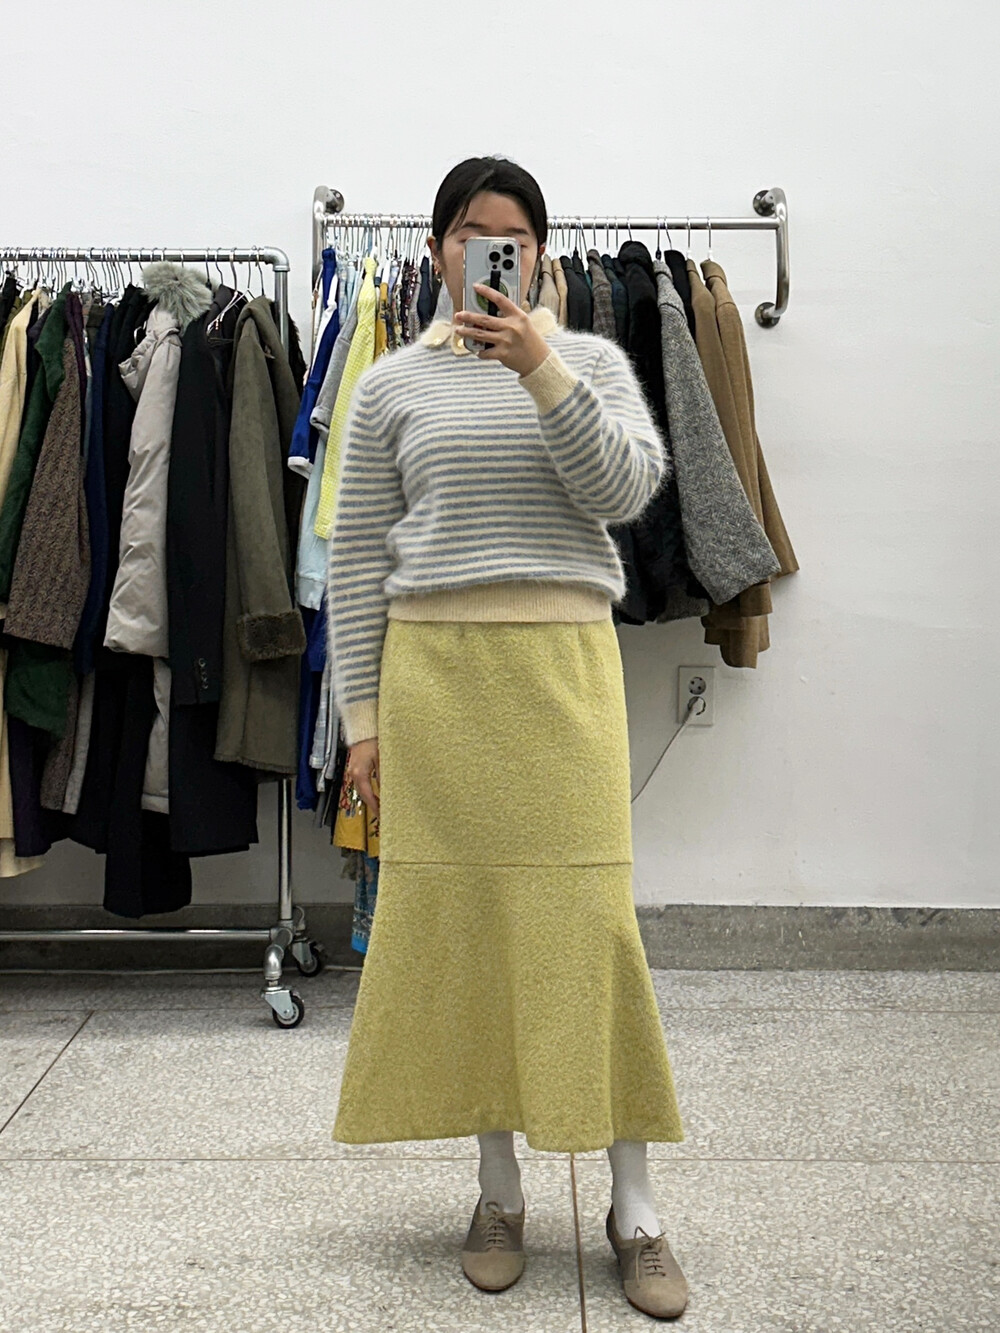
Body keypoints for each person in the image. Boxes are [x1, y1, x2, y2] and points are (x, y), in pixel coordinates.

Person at [326, 155, 689, 1319]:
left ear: (539, 252)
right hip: (437, 685)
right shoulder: (390, 388)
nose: (493, 251)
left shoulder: (591, 365)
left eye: (514, 237)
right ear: (437, 249)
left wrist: (540, 368)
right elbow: (357, 563)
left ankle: (635, 1207)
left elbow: (624, 492)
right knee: (472, 932)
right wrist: (363, 723)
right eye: (471, 233)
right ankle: (498, 1190)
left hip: (563, 675)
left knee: (590, 927)